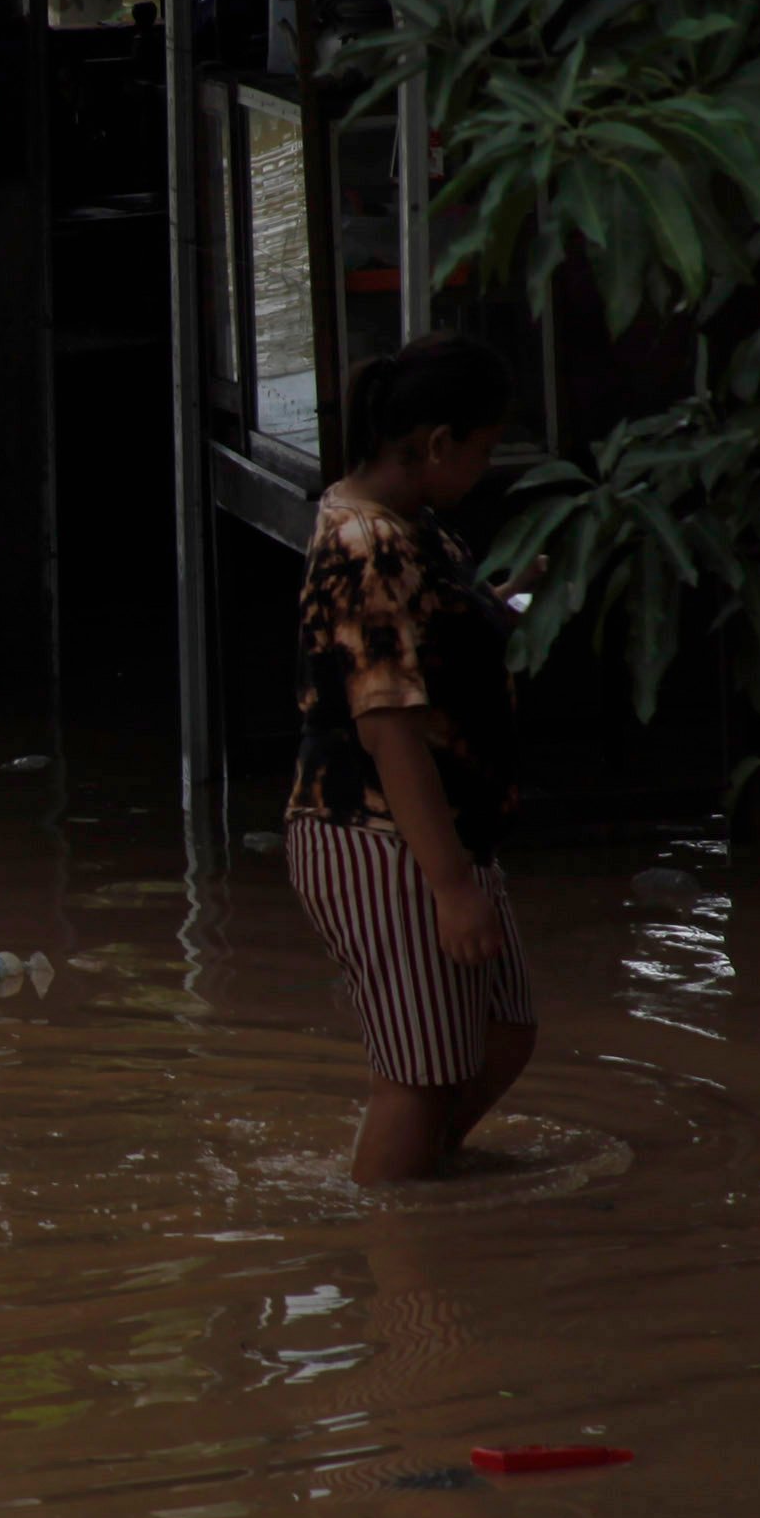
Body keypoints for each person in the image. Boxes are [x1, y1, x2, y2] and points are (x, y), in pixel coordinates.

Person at [285, 332, 535, 1185]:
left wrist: (491, 608)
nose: (485, 465)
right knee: (420, 1079)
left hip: (435, 831)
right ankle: (403, 1261)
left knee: (503, 1032)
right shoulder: (368, 544)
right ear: (436, 445)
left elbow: (419, 642)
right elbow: (388, 725)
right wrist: (451, 886)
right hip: (381, 833)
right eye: (483, 448)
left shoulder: (408, 529)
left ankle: (422, 1177)